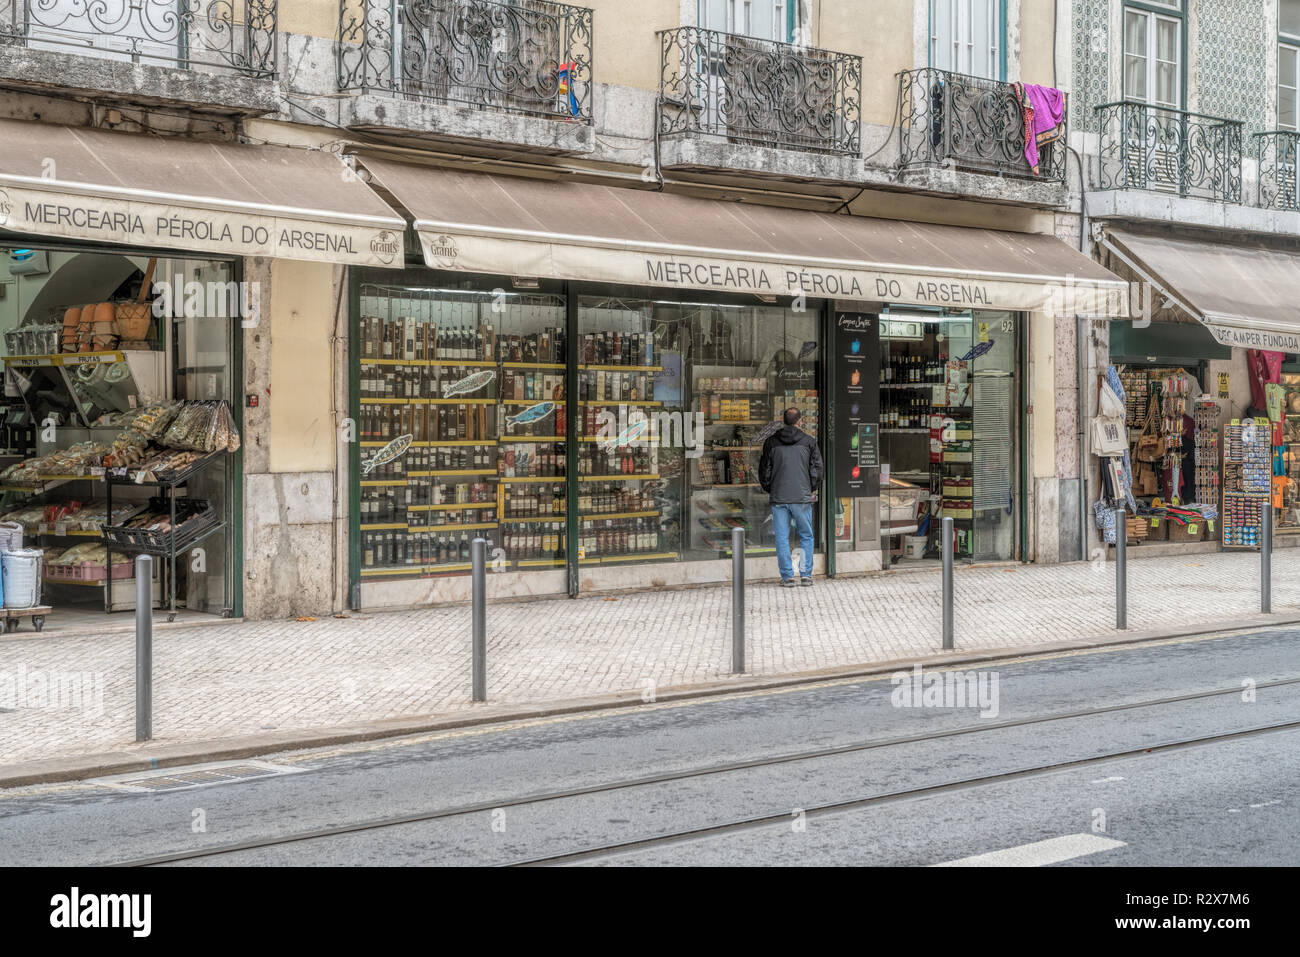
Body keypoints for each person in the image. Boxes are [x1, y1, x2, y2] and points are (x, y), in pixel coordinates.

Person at [759, 407, 823, 587]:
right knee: (806, 536)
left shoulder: (771, 442)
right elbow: (817, 470)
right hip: (801, 498)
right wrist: (809, 488)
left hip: (779, 497)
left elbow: (764, 470)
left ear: (783, 420)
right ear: (800, 421)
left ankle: (787, 577)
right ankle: (805, 575)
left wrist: (770, 488)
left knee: (781, 537)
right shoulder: (809, 442)